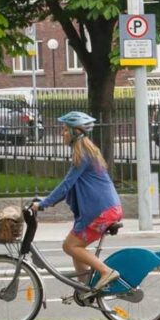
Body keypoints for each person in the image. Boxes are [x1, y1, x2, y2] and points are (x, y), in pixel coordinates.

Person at [31, 111, 123, 291]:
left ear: (75, 132)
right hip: (106, 209)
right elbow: (69, 188)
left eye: (65, 130)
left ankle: (107, 272)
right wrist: (46, 201)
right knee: (76, 248)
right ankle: (85, 290)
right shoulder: (86, 152)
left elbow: (66, 185)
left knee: (69, 246)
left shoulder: (82, 156)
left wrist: (43, 204)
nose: (62, 133)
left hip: (102, 212)